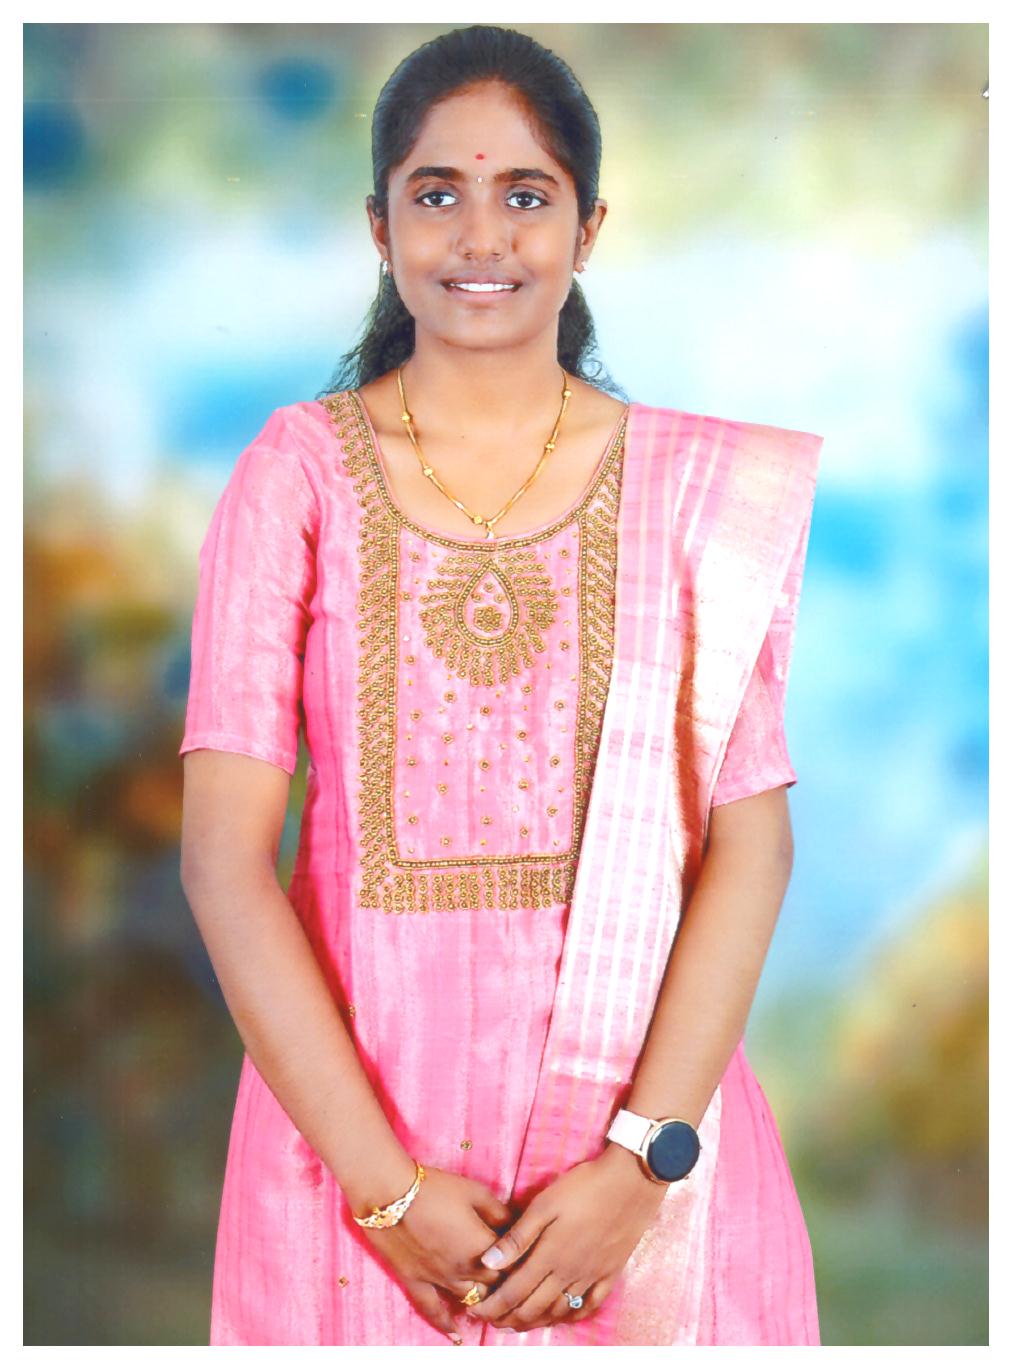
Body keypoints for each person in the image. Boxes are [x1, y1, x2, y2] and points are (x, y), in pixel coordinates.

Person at [179, 24, 823, 1347]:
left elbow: (751, 843)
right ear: (380, 226)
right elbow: (223, 861)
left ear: (589, 228)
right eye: (438, 194)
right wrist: (389, 1192)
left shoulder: (688, 493)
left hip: (639, 1163)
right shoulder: (296, 476)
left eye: (525, 194)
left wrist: (642, 1166)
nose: (482, 237)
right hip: (356, 1162)